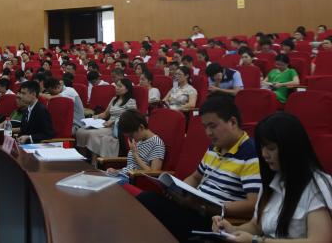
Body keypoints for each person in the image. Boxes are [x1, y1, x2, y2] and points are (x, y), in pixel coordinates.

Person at [137, 97, 261, 241]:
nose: (208, 132)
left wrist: (204, 207)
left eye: (212, 126)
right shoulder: (214, 147)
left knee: (148, 204)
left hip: (214, 221)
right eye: (205, 127)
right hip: (195, 209)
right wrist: (179, 191)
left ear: (232, 122)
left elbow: (252, 205)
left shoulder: (251, 154)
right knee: (146, 199)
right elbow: (196, 177)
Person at [212, 113, 332, 242]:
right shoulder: (272, 179)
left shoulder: (317, 186)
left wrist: (257, 241)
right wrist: (231, 230)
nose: (264, 154)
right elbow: (256, 226)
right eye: (262, 147)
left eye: (271, 148)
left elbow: (320, 240)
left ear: (291, 149)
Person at [76, 78, 137, 158]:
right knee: (81, 130)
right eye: (116, 86)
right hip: (107, 124)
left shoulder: (131, 101)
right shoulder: (114, 99)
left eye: (120, 86)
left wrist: (114, 121)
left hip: (117, 128)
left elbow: (131, 118)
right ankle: (82, 157)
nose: (117, 88)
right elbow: (105, 114)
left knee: (92, 134)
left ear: (127, 89)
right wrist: (95, 117)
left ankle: (94, 161)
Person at [106, 109, 165, 176]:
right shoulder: (139, 140)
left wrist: (135, 155)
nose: (131, 139)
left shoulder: (156, 143)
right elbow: (131, 167)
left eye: (131, 135)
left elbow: (154, 173)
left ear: (141, 127)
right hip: (124, 176)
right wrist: (117, 171)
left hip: (135, 179)